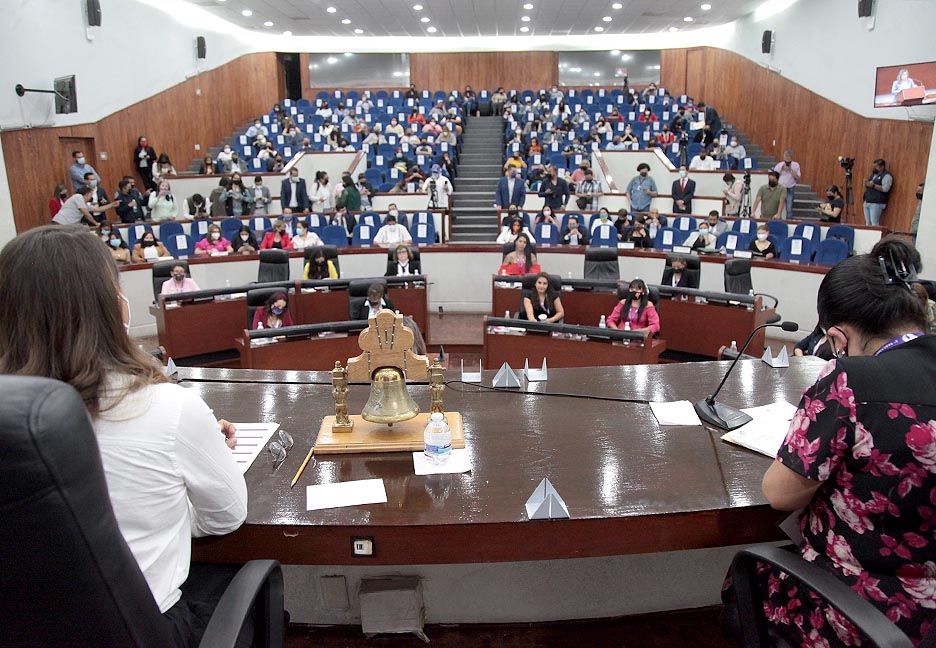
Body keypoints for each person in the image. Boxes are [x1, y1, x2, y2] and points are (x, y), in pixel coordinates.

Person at [0, 226, 247, 646]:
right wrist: (166, 499)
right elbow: (226, 516)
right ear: (111, 305)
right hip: (144, 630)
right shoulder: (171, 409)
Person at [722, 237, 936, 647]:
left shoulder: (849, 380)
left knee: (745, 584)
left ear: (838, 338)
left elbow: (780, 494)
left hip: (859, 611)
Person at [863, 158, 893, 226]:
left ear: (882, 167)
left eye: (876, 167)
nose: (874, 168)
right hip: (868, 201)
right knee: (868, 223)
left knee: (874, 223)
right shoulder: (873, 175)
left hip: (877, 202)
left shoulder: (887, 176)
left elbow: (885, 189)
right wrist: (866, 184)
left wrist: (873, 185)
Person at [773, 150, 801, 219]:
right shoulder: (780, 165)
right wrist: (781, 169)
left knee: (789, 207)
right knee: (777, 205)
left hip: (790, 188)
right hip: (780, 188)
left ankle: (789, 220)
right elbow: (774, 176)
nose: (787, 162)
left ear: (791, 158)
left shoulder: (796, 165)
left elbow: (797, 177)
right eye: (786, 160)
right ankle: (776, 218)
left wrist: (790, 170)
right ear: (784, 157)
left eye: (789, 161)